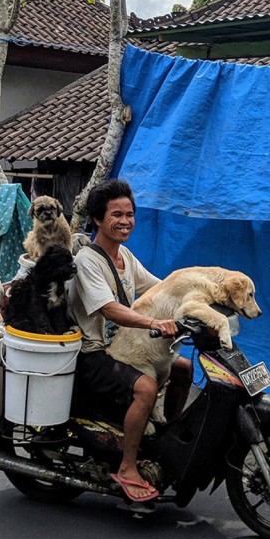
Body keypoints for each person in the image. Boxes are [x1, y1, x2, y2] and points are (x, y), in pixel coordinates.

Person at [71, 179, 193, 503]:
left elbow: (161, 289)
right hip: (93, 355)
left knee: (182, 366)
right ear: (98, 218)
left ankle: (163, 432)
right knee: (146, 387)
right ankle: (127, 467)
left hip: (120, 348)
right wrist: (155, 321)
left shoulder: (125, 256)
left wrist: (194, 304)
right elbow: (109, 309)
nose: (125, 221)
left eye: (130, 214)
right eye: (117, 214)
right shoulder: (88, 261)